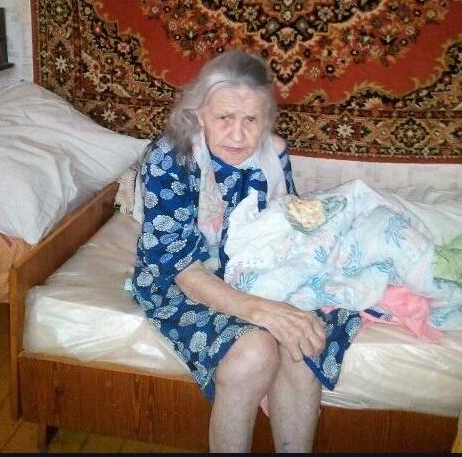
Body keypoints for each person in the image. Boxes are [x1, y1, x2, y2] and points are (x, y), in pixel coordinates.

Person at [131, 50, 357, 453]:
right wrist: (262, 310)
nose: (238, 136)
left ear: (265, 119)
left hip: (255, 272)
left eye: (251, 120)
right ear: (199, 114)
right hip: (182, 280)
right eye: (224, 118)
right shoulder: (169, 158)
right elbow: (181, 268)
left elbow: (281, 231)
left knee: (303, 342)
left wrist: (284, 299)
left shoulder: (273, 154)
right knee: (254, 352)